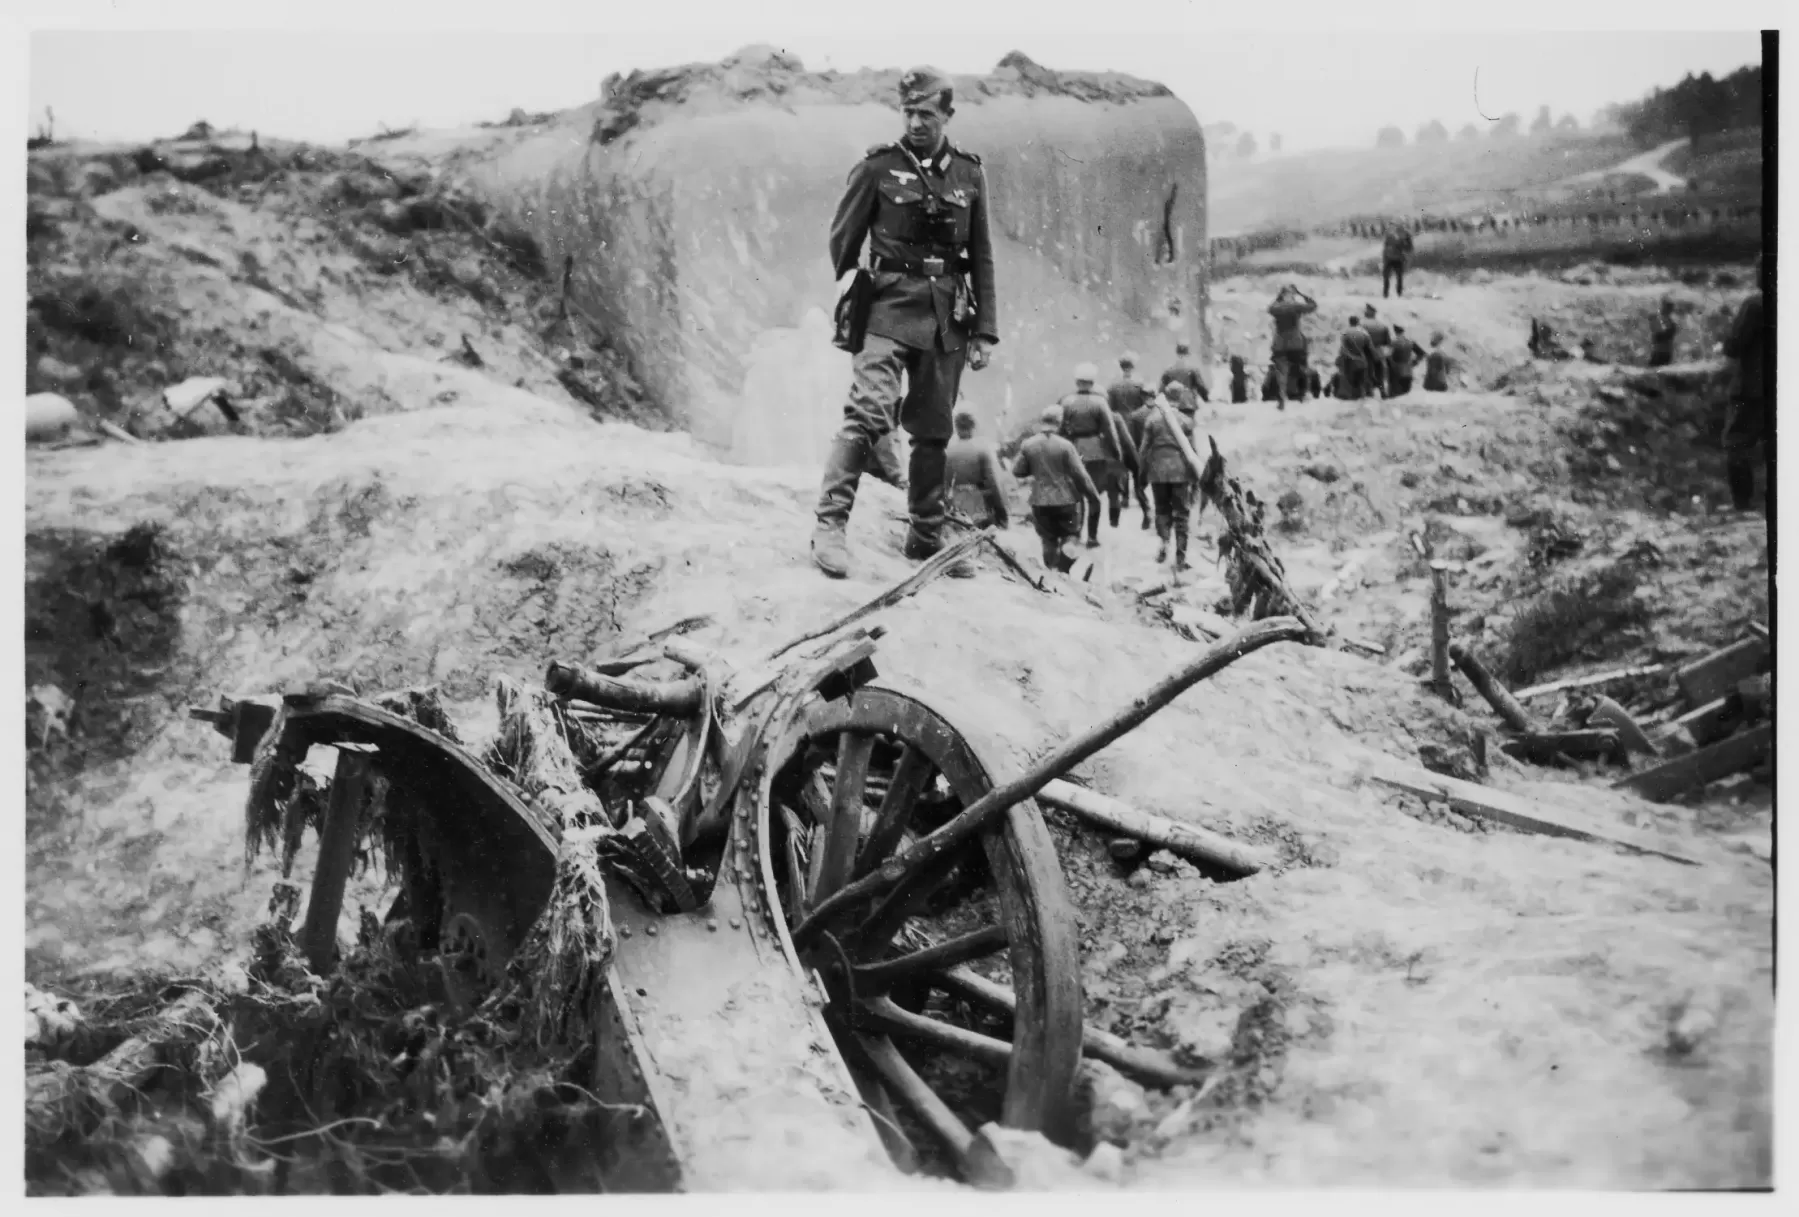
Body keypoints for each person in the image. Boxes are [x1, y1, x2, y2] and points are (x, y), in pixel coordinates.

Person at [810, 67, 998, 579]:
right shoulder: (878, 168)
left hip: (946, 320)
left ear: (947, 116)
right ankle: (828, 526)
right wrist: (858, 291)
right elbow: (842, 241)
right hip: (888, 311)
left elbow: (980, 256)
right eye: (909, 112)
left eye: (927, 114)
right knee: (868, 412)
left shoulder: (969, 174)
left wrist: (984, 331)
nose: (916, 122)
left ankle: (925, 536)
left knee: (933, 430)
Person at [1012, 404, 1102, 572]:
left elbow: (1017, 470)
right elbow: (1081, 476)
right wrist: (1093, 496)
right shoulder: (1065, 446)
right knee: (1071, 537)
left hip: (1039, 501)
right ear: (1059, 422)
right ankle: (1063, 570)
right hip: (1066, 501)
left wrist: (1037, 467)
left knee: (1048, 540)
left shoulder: (1028, 444)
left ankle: (1052, 574)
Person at [1058, 363, 1136, 544]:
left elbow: (1060, 429)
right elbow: (1109, 431)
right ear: (1092, 382)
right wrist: (1116, 453)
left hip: (1073, 450)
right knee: (1093, 495)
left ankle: (1076, 532)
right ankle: (1092, 536)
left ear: (1077, 382)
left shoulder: (1066, 401)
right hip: (1094, 451)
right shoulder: (1100, 403)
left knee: (1076, 494)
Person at [1721, 260, 1769, 515]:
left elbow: (1733, 346)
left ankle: (1742, 506)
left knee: (1736, 444)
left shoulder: (1755, 305)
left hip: (1751, 389)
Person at [1137, 384, 1200, 571]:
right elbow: (1192, 450)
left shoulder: (1152, 420)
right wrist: (1195, 477)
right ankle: (1180, 558)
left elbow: (1143, 450)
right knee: (1181, 513)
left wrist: (1142, 474)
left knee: (1162, 509)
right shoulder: (1185, 421)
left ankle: (1164, 542)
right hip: (1179, 471)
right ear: (1180, 397)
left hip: (1157, 471)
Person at [1106, 351, 1153, 526]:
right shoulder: (1140, 384)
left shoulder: (1112, 386)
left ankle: (1124, 496)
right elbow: (1144, 407)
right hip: (1136, 427)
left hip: (1119, 427)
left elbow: (1110, 409)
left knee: (1121, 462)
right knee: (1137, 460)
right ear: (1133, 366)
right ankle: (1139, 493)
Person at [944, 410, 1010, 529]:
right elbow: (994, 484)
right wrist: (1002, 514)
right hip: (979, 509)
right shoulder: (982, 449)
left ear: (956, 427)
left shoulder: (947, 452)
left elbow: (943, 486)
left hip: (955, 512)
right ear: (974, 426)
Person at [1266, 284, 1317, 409]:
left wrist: (1279, 297)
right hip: (1295, 343)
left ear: (1282, 295)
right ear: (1291, 295)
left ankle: (1282, 395)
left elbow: (1269, 308)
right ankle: (1303, 393)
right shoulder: (1296, 306)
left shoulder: (1277, 307)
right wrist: (1301, 294)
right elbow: (1313, 305)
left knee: (1281, 371)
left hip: (1279, 343)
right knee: (1301, 368)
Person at [1335, 316, 1376, 400]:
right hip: (1362, 359)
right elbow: (1370, 348)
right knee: (1362, 378)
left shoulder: (1345, 333)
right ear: (1358, 322)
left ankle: (1352, 395)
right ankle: (1363, 395)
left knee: (1350, 378)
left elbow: (1342, 349)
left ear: (1350, 322)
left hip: (1349, 361)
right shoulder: (1364, 332)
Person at [1386, 324, 1427, 398]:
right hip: (1408, 372)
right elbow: (1422, 354)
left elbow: (1388, 357)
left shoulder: (1393, 343)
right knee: (1405, 397)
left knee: (1394, 398)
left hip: (1396, 373)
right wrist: (1414, 363)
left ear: (1395, 331)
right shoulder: (1410, 342)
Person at [1360, 303, 1392, 395]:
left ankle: (1369, 392)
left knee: (1367, 373)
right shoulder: (1382, 325)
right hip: (1379, 353)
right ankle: (1382, 391)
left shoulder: (1361, 326)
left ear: (1367, 312)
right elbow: (1388, 343)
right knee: (1380, 374)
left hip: (1366, 353)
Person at [1381, 222, 1414, 298]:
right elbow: (1386, 248)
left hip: (1395, 259)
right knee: (1389, 277)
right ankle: (1388, 294)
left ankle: (1394, 293)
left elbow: (1408, 248)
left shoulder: (1401, 237)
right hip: (1391, 259)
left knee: (1397, 277)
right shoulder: (1391, 236)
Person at [1648, 297, 1678, 367]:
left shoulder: (1669, 321)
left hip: (1662, 352)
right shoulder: (1665, 320)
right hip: (1661, 351)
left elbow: (1659, 337)